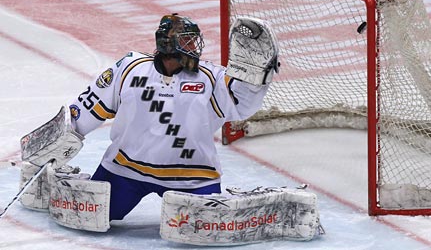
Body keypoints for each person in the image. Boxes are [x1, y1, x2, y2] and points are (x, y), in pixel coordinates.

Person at [66, 13, 277, 221]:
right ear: (168, 44)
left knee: (204, 229)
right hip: (126, 170)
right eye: (187, 41)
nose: (194, 48)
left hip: (193, 177)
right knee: (86, 216)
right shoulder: (130, 69)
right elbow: (85, 109)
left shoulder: (211, 78)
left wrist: (254, 77)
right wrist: (55, 148)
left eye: (194, 41)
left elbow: (243, 105)